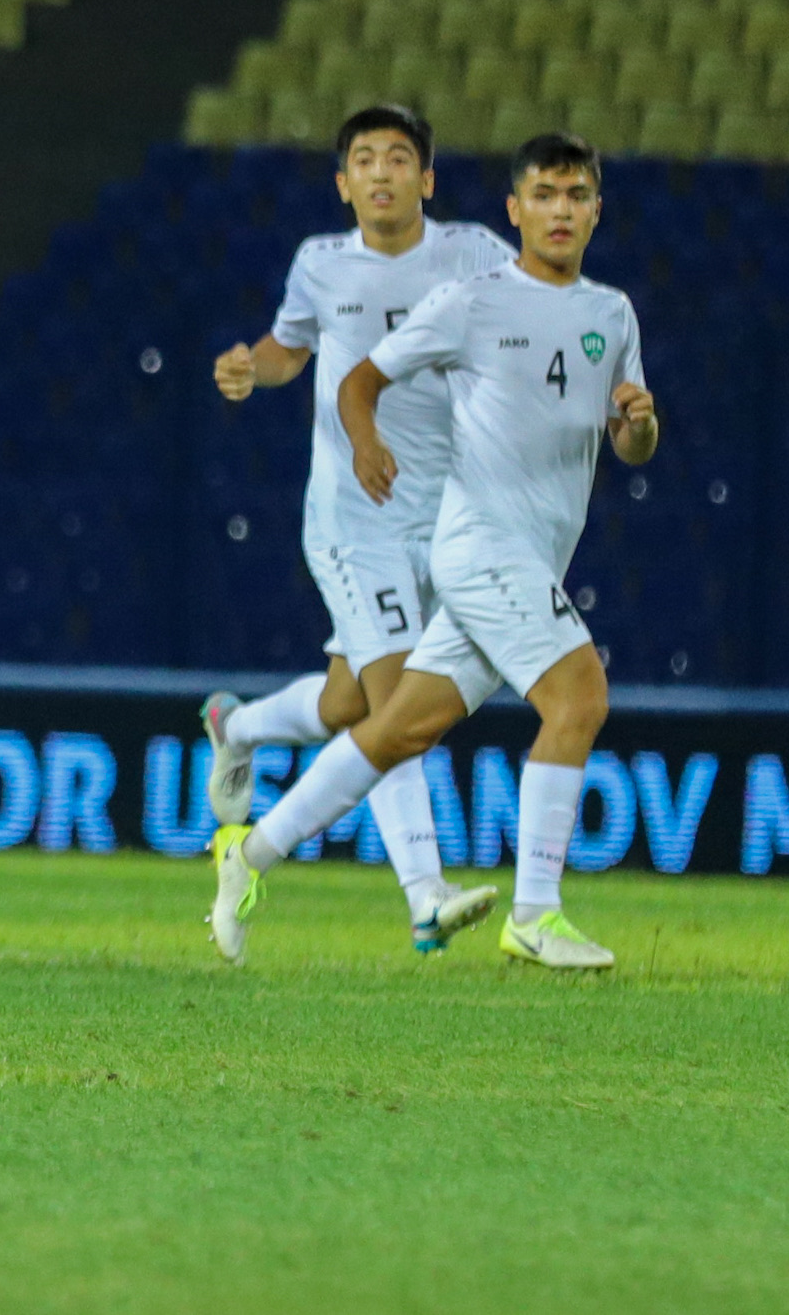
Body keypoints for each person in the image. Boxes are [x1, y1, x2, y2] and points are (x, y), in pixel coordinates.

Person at [211, 132, 656, 971]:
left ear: (596, 211)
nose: (561, 211)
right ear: (514, 211)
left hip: (534, 554)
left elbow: (630, 446)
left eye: (577, 196)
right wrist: (366, 441)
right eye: (545, 196)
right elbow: (358, 381)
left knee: (394, 730)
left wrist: (640, 426)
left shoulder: (612, 315)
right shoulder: (474, 302)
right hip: (480, 547)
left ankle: (249, 854)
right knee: (579, 698)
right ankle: (535, 914)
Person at [206, 105, 511, 954]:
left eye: (400, 158)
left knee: (347, 702)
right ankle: (425, 898)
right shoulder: (321, 264)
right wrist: (249, 368)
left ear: (428, 180)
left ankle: (240, 726)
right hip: (352, 522)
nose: (382, 173)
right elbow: (287, 349)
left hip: (446, 519)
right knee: (395, 700)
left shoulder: (475, 254)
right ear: (343, 185)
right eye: (365, 161)